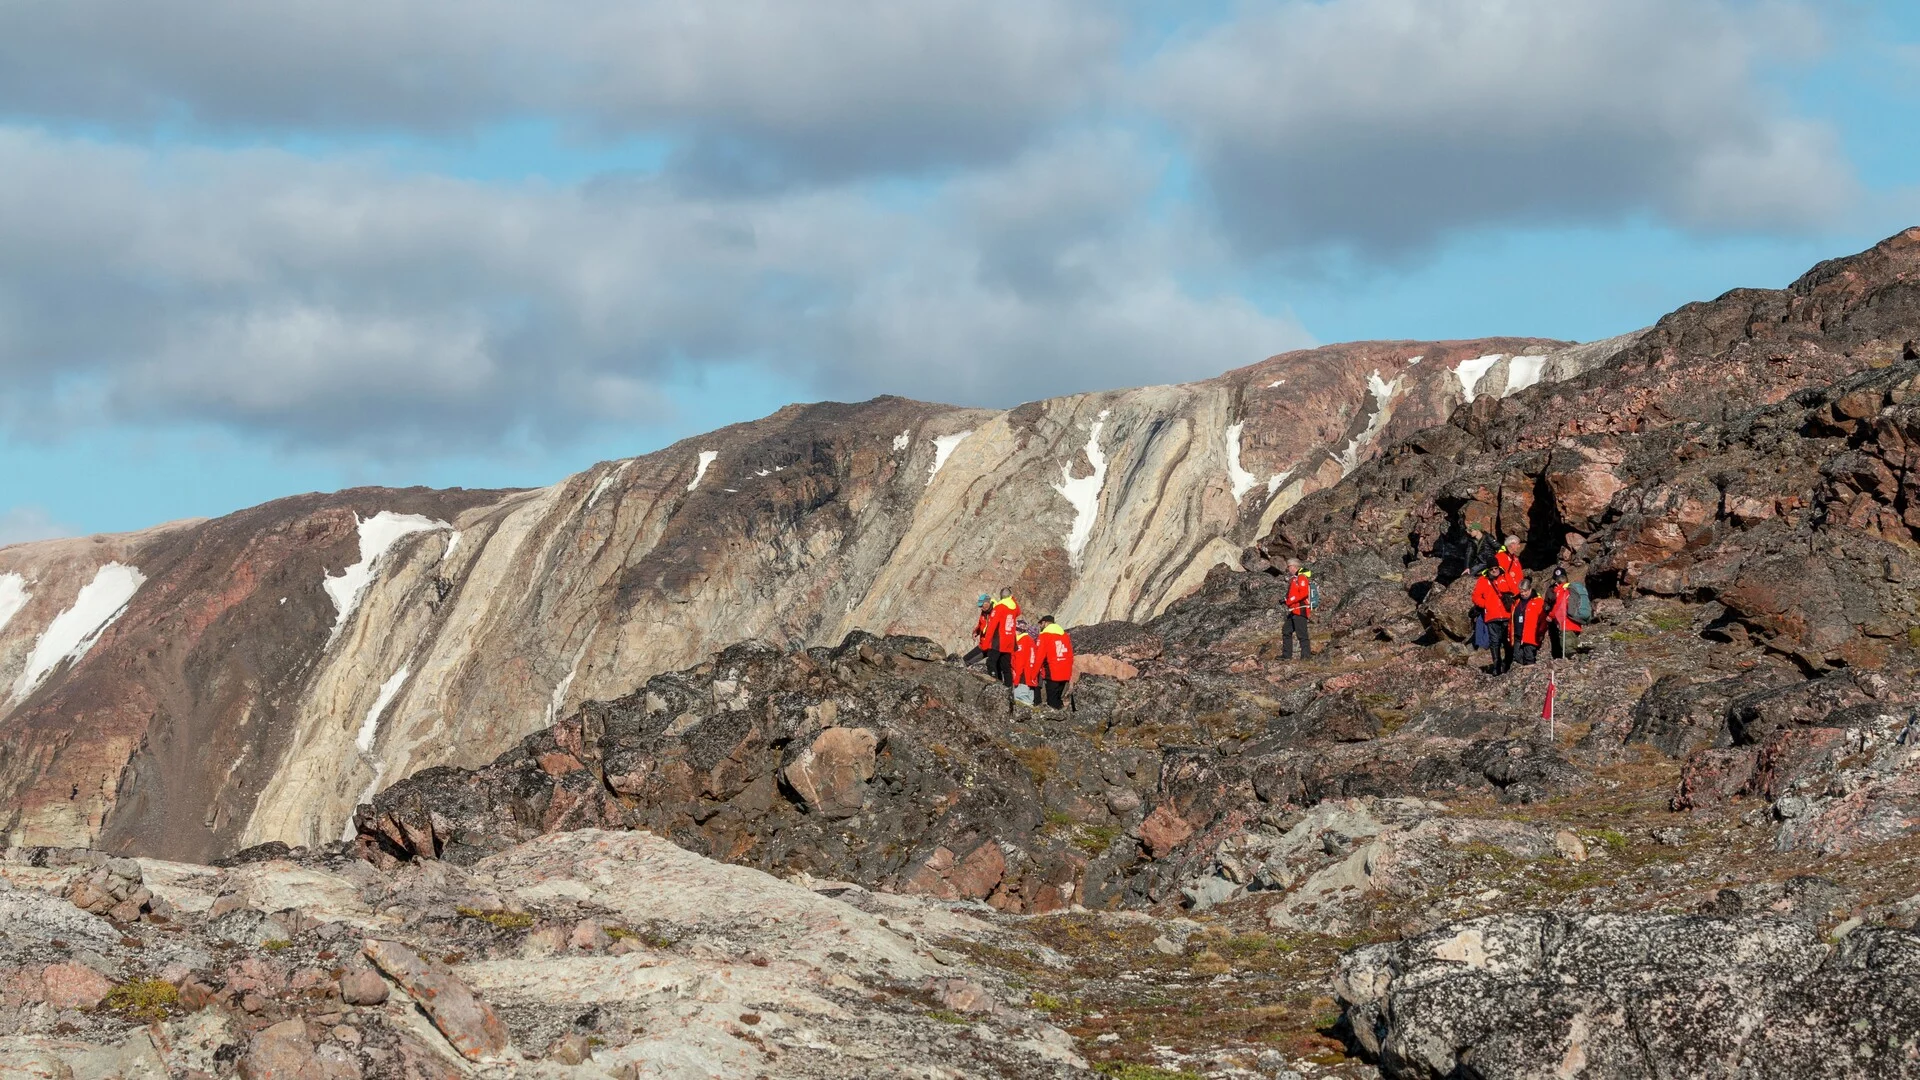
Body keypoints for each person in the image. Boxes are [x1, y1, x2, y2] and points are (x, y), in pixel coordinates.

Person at [1472, 564, 1512, 675]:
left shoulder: (1505, 577)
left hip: (1506, 614)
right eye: (1491, 569)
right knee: (1494, 642)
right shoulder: (1483, 580)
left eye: (1496, 568)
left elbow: (1514, 589)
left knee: (1507, 640)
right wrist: (1486, 605)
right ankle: (1496, 666)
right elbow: (1476, 596)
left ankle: (1507, 664)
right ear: (1488, 570)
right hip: (1492, 616)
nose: (1494, 571)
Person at [1281, 559, 1316, 660]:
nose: (1288, 569)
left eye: (1288, 567)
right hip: (1294, 610)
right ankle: (1286, 655)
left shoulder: (1301, 577)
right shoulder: (1295, 578)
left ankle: (1306, 656)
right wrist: (1286, 600)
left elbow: (1303, 593)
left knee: (1302, 634)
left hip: (1300, 609)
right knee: (1286, 630)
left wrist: (1290, 600)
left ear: (1293, 566)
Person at [1548, 567, 1586, 659]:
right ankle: (1578, 659)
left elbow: (1557, 607)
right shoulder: (1572, 589)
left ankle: (1571, 660)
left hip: (1566, 623)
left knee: (1567, 646)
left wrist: (1550, 616)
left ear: (1557, 582)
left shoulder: (1561, 591)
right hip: (1576, 622)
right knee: (1574, 643)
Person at [1037, 617, 1074, 709]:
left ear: (1045, 623)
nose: (1040, 627)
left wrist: (1034, 672)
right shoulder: (1064, 635)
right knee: (1058, 698)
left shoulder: (1044, 636)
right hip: (1065, 671)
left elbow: (1040, 656)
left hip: (1052, 671)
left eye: (1040, 624)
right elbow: (1070, 654)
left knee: (1052, 701)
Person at [1512, 578, 1547, 666]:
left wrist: (1541, 632)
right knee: (1517, 656)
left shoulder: (1538, 601)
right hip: (1517, 635)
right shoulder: (1516, 601)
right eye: (1521, 591)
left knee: (1529, 657)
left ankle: (1530, 676)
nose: (1523, 593)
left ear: (1530, 589)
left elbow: (1543, 619)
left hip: (1531, 635)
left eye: (1525, 591)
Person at [989, 589, 1021, 687]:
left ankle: (994, 684)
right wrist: (1013, 598)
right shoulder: (1014, 608)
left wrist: (987, 642)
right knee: (1006, 666)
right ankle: (1008, 689)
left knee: (991, 662)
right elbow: (1018, 611)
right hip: (1009, 641)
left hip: (999, 640)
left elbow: (992, 625)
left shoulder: (999, 607)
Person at [1010, 621, 1039, 705]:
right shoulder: (1030, 641)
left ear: (1018, 630)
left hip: (1022, 677)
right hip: (1030, 677)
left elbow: (1020, 661)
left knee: (1021, 702)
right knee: (1029, 702)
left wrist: (1017, 679)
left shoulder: (1022, 642)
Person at [964, 594, 993, 667]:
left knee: (967, 663)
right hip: (982, 644)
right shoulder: (984, 612)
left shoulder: (996, 613)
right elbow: (981, 624)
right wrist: (976, 632)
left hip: (991, 646)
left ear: (987, 603)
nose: (981, 608)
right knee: (964, 660)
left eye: (982, 605)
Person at [1494, 536, 1523, 601]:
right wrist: (1514, 591)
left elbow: (1520, 574)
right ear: (1512, 544)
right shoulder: (1500, 556)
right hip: (1508, 592)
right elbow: (1500, 575)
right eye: (1518, 544)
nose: (1519, 546)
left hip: (1518, 590)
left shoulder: (1515, 558)